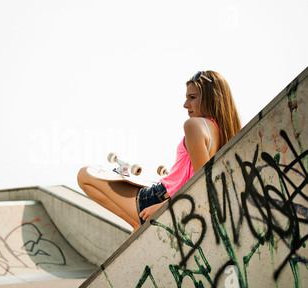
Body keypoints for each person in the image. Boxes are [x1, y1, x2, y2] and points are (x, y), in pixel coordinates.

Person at [77, 70, 242, 233]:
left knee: (85, 175)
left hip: (161, 198)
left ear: (210, 98)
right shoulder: (224, 132)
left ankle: (137, 224)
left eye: (192, 98)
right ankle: (137, 225)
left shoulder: (194, 125)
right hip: (180, 200)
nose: (185, 105)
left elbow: (202, 183)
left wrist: (164, 207)